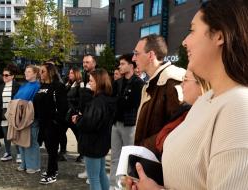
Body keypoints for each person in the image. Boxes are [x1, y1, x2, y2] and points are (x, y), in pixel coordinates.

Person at [126, 0, 248, 189]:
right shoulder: (207, 100)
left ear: (219, 36)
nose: (184, 41)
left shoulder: (239, 108)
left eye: (192, 30)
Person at [132, 34, 186, 158]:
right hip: (151, 158)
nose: (134, 58)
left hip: (162, 163)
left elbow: (179, 130)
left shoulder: (172, 81)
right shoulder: (153, 82)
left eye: (137, 53)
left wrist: (145, 147)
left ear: (150, 55)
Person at [72, 68, 116, 190]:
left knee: (94, 178)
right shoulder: (106, 99)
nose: (89, 83)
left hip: (92, 144)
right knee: (101, 174)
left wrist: (79, 119)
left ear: (99, 82)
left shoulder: (97, 102)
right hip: (101, 143)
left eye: (91, 81)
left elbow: (89, 123)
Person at [110, 54, 144, 189]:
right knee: (115, 157)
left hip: (130, 124)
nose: (120, 66)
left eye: (123, 63)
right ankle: (114, 185)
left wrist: (119, 101)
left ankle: (129, 185)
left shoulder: (138, 83)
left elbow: (132, 103)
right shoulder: (117, 82)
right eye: (120, 63)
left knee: (130, 158)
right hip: (116, 123)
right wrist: (120, 101)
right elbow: (113, 101)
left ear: (131, 66)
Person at [155, 70, 210, 154]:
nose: (181, 84)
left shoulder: (205, 118)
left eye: (186, 79)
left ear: (201, 84)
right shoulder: (186, 112)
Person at [33, 62, 68, 184]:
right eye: (40, 71)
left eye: (43, 71)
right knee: (48, 148)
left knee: (52, 149)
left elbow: (63, 106)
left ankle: (51, 173)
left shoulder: (58, 86)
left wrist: (56, 120)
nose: (40, 73)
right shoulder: (41, 86)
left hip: (53, 124)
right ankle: (54, 169)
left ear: (50, 72)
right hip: (42, 122)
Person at [10, 64, 41, 174]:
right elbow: (15, 98)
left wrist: (19, 103)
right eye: (25, 71)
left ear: (35, 73)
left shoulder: (38, 86)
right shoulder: (24, 85)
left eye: (28, 71)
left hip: (30, 119)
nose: (25, 73)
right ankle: (24, 164)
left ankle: (34, 166)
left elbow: (34, 102)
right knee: (21, 141)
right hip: (20, 118)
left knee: (31, 142)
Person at [77, 54, 97, 180]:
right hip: (83, 114)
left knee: (93, 146)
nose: (85, 64)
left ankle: (93, 174)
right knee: (85, 145)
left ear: (94, 63)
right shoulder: (84, 76)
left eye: (88, 62)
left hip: (93, 114)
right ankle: (87, 170)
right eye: (84, 62)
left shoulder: (98, 75)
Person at [59, 67, 85, 162]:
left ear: (77, 74)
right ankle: (62, 152)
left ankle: (82, 154)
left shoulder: (80, 84)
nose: (70, 75)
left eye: (72, 73)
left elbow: (81, 99)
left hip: (73, 113)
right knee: (61, 132)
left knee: (77, 134)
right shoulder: (68, 84)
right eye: (69, 73)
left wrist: (78, 110)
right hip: (65, 113)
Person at [0, 65, 21, 162]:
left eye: (6, 75)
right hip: (3, 114)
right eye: (3, 75)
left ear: (12, 76)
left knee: (15, 135)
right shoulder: (0, 87)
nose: (4, 77)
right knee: (6, 135)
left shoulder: (18, 87)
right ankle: (8, 153)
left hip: (13, 115)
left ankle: (19, 153)